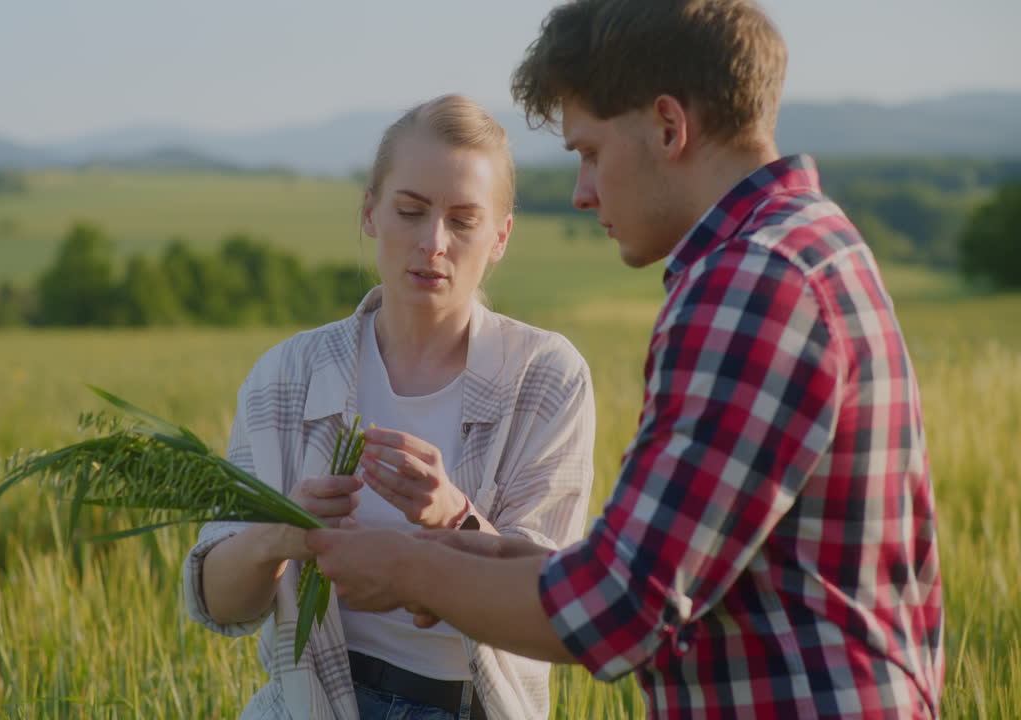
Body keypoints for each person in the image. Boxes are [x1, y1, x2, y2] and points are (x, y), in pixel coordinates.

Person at [307, 1, 945, 717]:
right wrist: (468, 556)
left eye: (590, 153)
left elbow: (622, 605)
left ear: (669, 128)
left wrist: (406, 569)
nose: (582, 192)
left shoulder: (752, 283)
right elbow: (646, 565)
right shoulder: (811, 242)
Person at [182, 94, 597, 720]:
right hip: (308, 704)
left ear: (501, 236)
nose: (433, 242)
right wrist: (280, 533)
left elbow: (555, 601)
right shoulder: (286, 376)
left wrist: (457, 519)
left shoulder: (546, 377)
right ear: (370, 212)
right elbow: (218, 602)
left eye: (463, 221)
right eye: (410, 210)